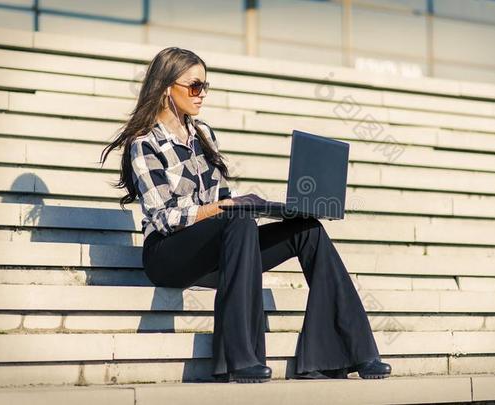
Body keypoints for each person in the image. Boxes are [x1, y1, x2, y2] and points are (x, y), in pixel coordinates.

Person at [99, 46, 391, 383]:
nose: (202, 94)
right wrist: (224, 209)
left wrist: (270, 208)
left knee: (307, 229)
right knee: (237, 220)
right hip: (168, 255)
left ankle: (346, 354)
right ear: (167, 88)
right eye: (194, 86)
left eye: (205, 86)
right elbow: (163, 217)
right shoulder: (144, 143)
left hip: (217, 244)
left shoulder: (203, 135)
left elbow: (222, 197)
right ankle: (238, 359)